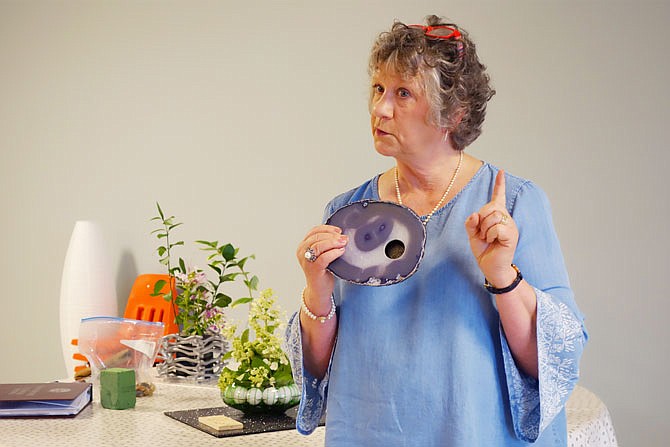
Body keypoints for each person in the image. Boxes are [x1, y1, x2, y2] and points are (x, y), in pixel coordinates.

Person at [285, 15, 587, 446]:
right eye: (378, 89)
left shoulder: (513, 206)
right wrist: (316, 289)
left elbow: (553, 361)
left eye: (403, 93)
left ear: (454, 112)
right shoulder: (346, 212)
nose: (380, 108)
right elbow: (318, 368)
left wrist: (503, 275)